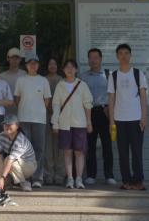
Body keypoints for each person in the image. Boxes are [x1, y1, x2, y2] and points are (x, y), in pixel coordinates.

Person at [107, 43, 148, 191]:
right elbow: (111, 99)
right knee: (122, 152)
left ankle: (138, 181)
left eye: (126, 53)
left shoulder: (138, 74)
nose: (123, 56)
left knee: (137, 152)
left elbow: (143, 97)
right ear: (117, 56)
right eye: (121, 53)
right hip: (119, 120)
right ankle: (126, 181)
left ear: (130, 55)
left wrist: (144, 117)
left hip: (136, 119)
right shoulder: (113, 76)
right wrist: (111, 121)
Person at [51, 59, 93, 189]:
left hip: (80, 123)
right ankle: (70, 178)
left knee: (79, 152)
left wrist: (89, 122)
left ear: (76, 69)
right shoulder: (60, 85)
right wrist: (55, 123)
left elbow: (87, 104)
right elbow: (56, 105)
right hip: (64, 123)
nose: (69, 69)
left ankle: (79, 178)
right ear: (63, 70)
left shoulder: (82, 85)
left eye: (72, 67)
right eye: (67, 67)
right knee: (67, 152)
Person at [13, 56, 51, 188]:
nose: (33, 65)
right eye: (30, 63)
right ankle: (26, 178)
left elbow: (47, 100)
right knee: (24, 149)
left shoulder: (43, 80)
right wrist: (25, 109)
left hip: (39, 119)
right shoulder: (21, 80)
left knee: (39, 149)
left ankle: (37, 178)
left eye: (35, 63)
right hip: (23, 118)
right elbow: (17, 98)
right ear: (26, 65)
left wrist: (38, 110)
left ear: (38, 65)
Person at [81, 48, 116, 186]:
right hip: (89, 113)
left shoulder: (109, 75)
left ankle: (109, 175)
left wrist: (111, 110)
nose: (93, 60)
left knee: (107, 145)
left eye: (96, 57)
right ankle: (91, 175)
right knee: (90, 145)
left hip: (105, 112)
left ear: (101, 59)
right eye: (91, 57)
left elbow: (115, 95)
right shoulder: (83, 77)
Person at [0, 115, 37, 192]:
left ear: (17, 126)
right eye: (5, 124)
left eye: (10, 124)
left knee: (9, 160)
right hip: (13, 163)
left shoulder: (20, 140)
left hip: (29, 165)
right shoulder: (1, 136)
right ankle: (6, 182)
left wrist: (2, 177)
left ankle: (23, 182)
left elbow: (10, 160)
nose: (7, 126)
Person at [43, 57, 65, 185]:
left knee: (60, 146)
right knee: (48, 145)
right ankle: (48, 174)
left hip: (61, 115)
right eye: (50, 64)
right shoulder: (43, 80)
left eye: (54, 64)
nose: (52, 66)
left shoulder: (62, 80)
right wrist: (49, 108)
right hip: (45, 115)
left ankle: (60, 175)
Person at [0, 48, 26, 115]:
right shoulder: (1, 77)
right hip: (5, 112)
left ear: (20, 59)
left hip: (22, 112)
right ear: (8, 59)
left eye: (17, 58)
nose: (15, 60)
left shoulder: (25, 74)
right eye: (12, 58)